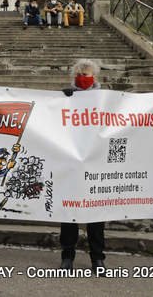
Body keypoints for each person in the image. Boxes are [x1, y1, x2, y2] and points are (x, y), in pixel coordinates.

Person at [60, 60, 107, 273]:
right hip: (71, 163)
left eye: (85, 74)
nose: (82, 77)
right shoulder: (65, 98)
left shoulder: (106, 99)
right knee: (69, 214)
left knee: (96, 217)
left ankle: (97, 258)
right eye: (78, 74)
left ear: (94, 77)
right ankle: (67, 255)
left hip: (96, 164)